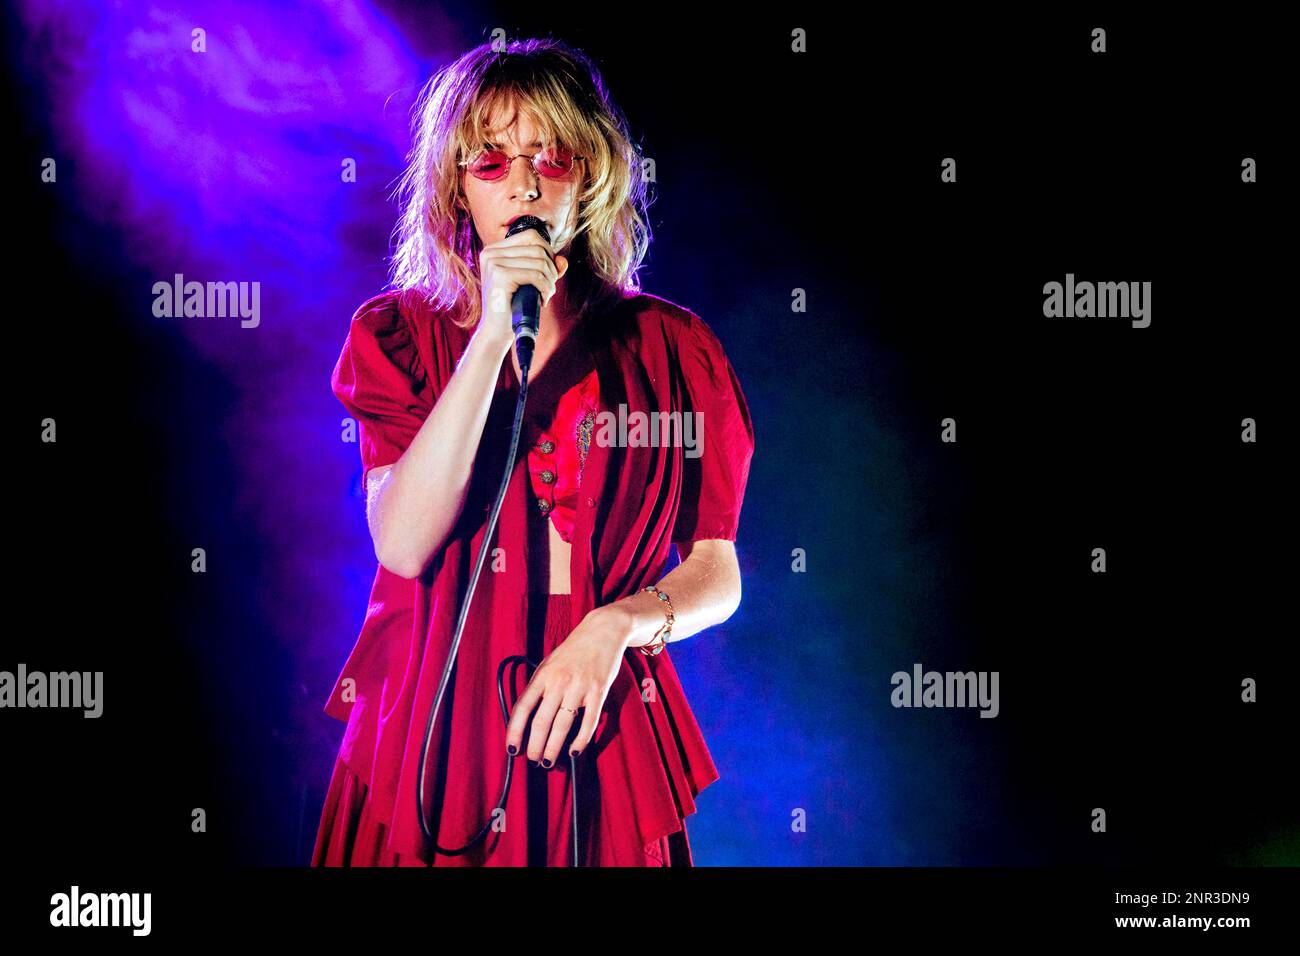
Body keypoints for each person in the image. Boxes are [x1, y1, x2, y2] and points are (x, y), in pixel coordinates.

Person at [311, 38, 754, 867]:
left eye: (551, 155)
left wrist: (617, 626)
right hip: (432, 727)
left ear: (590, 177)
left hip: (595, 717)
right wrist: (486, 338)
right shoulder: (397, 336)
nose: (523, 181)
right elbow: (402, 542)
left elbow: (717, 568)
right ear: (455, 187)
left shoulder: (673, 348)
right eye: (490, 159)